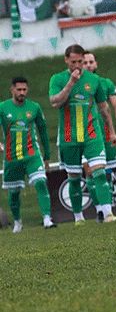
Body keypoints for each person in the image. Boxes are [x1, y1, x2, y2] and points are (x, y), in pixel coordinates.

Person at [49, 45, 116, 223]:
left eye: (80, 61)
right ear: (66, 60)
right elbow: (55, 102)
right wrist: (71, 83)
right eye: (73, 62)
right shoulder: (57, 79)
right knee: (73, 178)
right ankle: (78, 218)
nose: (77, 65)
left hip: (91, 134)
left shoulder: (94, 80)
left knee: (99, 173)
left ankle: (108, 213)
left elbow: (104, 108)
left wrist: (111, 131)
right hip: (69, 136)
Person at [1, 77, 55, 231]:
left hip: (32, 155)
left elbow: (43, 131)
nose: (22, 93)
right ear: (12, 90)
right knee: (13, 193)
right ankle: (17, 222)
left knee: (40, 182)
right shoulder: (3, 107)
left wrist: (47, 155)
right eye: (19, 90)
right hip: (12, 157)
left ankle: (47, 219)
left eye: (24, 90)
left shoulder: (34, 107)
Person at [82, 51, 116, 221]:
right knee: (90, 172)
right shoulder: (76, 84)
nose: (88, 65)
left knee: (106, 173)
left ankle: (108, 210)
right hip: (86, 133)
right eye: (85, 62)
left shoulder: (106, 83)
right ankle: (100, 210)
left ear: (96, 64)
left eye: (91, 62)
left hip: (106, 132)